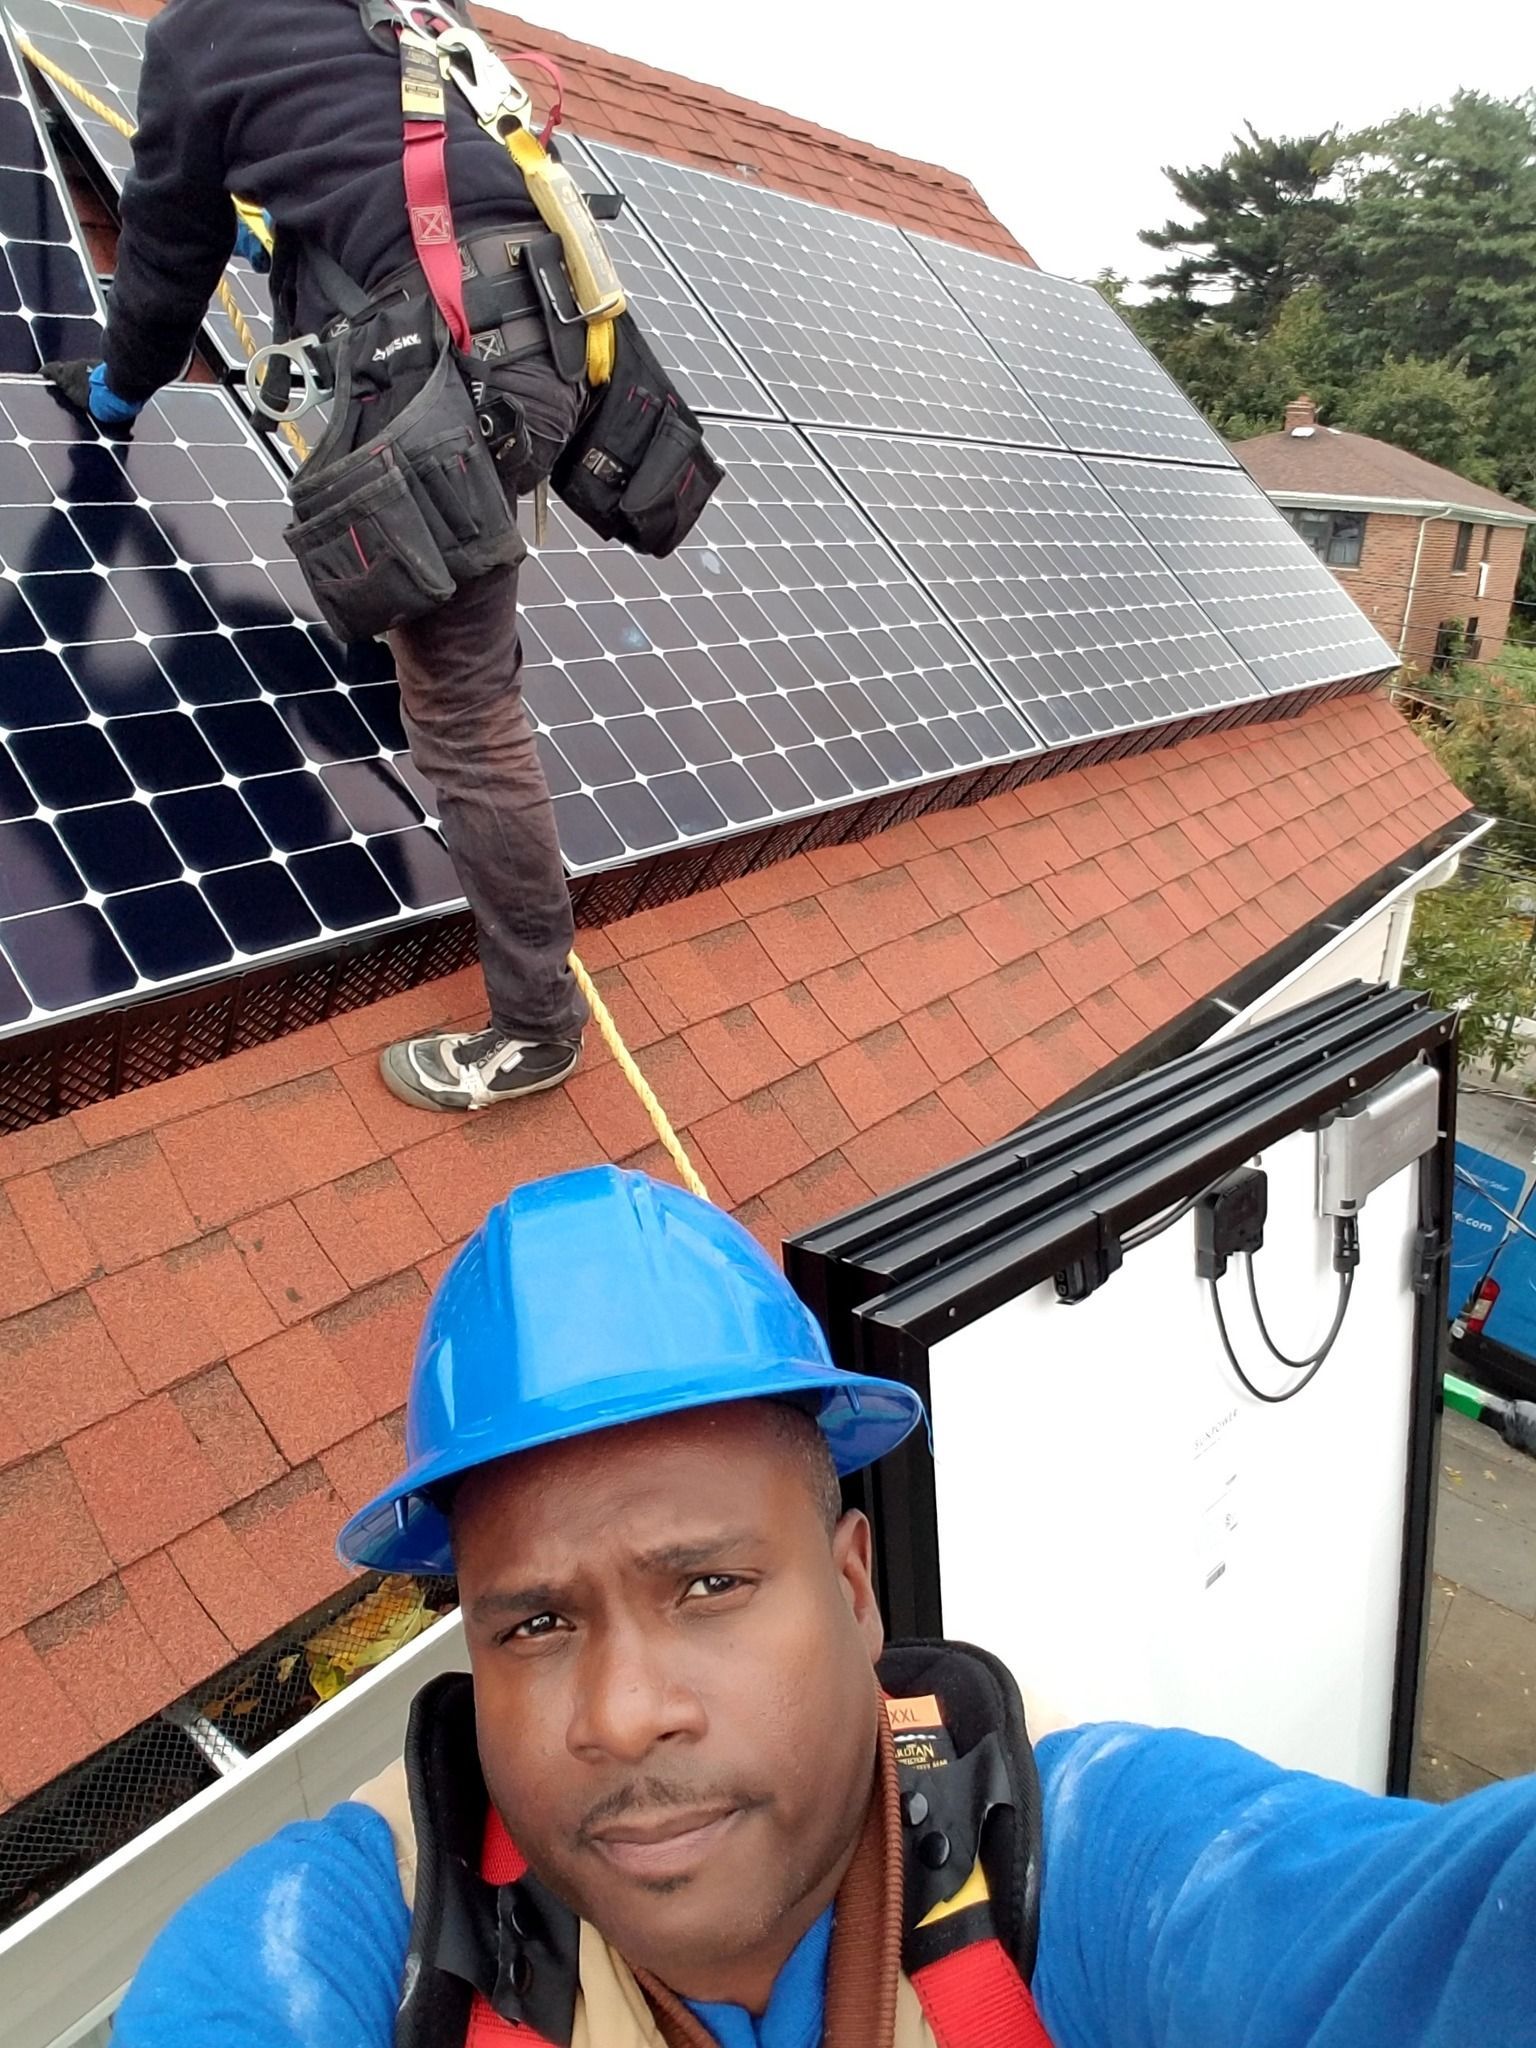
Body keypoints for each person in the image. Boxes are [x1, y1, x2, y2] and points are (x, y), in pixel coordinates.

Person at [112, 1168, 1536, 2048]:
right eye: (535, 1625)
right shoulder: (364, 1957)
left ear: (856, 1590)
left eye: (710, 1584)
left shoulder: (1077, 1874)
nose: (619, 1718)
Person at [42, 0, 591, 1112]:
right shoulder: (386, 9)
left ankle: (537, 1026)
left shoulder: (201, 35)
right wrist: (289, 230)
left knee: (467, 720)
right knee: (454, 656)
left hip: (446, 376)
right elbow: (410, 173)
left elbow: (164, 255)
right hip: (550, 329)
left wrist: (119, 387)